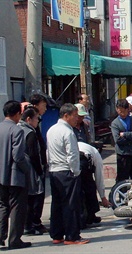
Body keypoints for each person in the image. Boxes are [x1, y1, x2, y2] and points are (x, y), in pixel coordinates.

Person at [0, 100, 32, 250]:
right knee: (17, 207)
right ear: (18, 114)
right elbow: (18, 156)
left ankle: (0, 236)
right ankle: (14, 239)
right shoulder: (16, 130)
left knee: (2, 205)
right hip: (14, 175)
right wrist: (27, 169)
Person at [47, 103, 89, 244]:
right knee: (71, 204)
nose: (76, 119)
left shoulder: (51, 130)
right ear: (66, 116)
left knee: (57, 204)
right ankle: (72, 236)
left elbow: (48, 152)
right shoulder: (68, 132)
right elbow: (72, 154)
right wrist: (76, 171)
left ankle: (57, 234)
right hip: (66, 171)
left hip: (54, 171)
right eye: (74, 116)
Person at [18, 106, 46, 236]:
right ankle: (30, 225)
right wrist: (40, 171)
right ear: (29, 119)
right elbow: (34, 154)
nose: (38, 122)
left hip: (21, 170)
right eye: (36, 119)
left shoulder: (17, 128)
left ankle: (26, 224)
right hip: (31, 170)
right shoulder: (29, 133)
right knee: (34, 198)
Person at [28, 94, 49, 234]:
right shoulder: (30, 125)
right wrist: (40, 168)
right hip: (34, 167)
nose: (45, 108)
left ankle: (33, 222)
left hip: (37, 165)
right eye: (44, 105)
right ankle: (34, 223)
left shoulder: (37, 121)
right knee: (36, 196)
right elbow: (32, 150)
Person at [78, 141, 111, 227]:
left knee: (77, 190)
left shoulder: (81, 144)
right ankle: (87, 217)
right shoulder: (95, 153)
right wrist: (103, 197)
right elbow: (99, 177)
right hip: (82, 163)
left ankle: (90, 216)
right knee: (90, 188)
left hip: (69, 163)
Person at [110, 99, 132, 183]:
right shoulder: (115, 123)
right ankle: (122, 195)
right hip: (123, 154)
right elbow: (118, 139)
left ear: (128, 109)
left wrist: (125, 134)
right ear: (117, 109)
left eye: (124, 111)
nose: (122, 113)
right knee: (122, 178)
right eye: (120, 111)